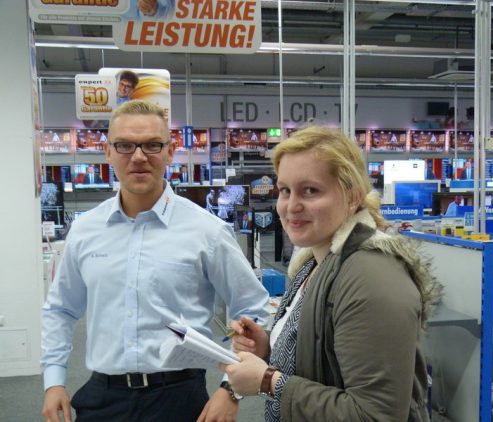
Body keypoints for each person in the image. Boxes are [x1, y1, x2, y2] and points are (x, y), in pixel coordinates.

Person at [40, 100, 270, 422]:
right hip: (103, 399)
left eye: (152, 145)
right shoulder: (85, 231)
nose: (138, 156)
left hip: (180, 399)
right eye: (124, 145)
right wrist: (53, 381)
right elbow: (61, 309)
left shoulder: (207, 231)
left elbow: (253, 308)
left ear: (170, 151)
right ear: (108, 152)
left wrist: (230, 388)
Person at [220, 126, 440, 421]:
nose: (291, 206)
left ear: (352, 197)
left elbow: (374, 415)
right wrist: (270, 347)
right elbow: (322, 358)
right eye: (285, 190)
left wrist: (268, 381)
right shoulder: (316, 261)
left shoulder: (371, 278)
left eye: (310, 190)